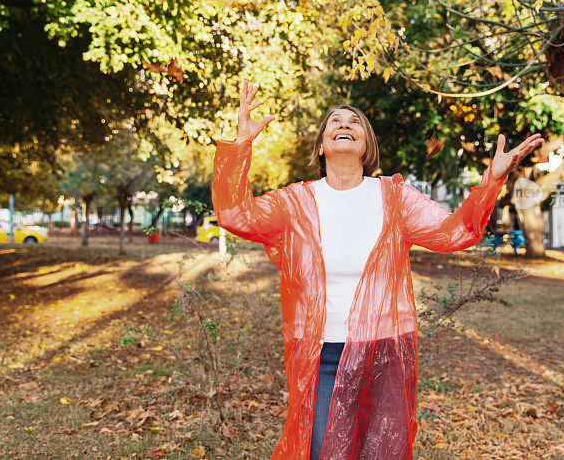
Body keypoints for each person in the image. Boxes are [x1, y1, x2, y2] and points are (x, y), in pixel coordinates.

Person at [212, 81, 543, 460]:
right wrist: (240, 145)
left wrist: (493, 179)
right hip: (322, 353)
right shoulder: (295, 202)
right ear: (322, 146)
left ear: (366, 146)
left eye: (355, 122)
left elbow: (455, 231)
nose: (345, 123)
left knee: (381, 451)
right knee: (322, 451)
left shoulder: (394, 197)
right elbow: (236, 214)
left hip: (386, 348)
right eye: (335, 121)